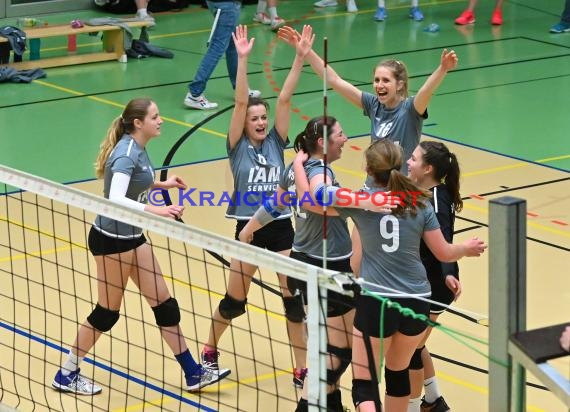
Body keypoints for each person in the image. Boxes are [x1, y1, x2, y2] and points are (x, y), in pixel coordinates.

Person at [51, 98, 230, 395]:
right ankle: (67, 373)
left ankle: (193, 373)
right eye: (155, 117)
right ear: (138, 123)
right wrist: (158, 211)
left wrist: (163, 185)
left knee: (165, 306)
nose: (160, 121)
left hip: (134, 237)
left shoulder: (138, 147)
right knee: (107, 313)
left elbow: (135, 181)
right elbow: (115, 198)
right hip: (111, 241)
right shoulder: (125, 153)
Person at [295, 139, 486, 412]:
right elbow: (444, 252)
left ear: (368, 169)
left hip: (378, 300)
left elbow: (315, 196)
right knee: (398, 375)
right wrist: (465, 250)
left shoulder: (360, 201)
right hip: (417, 300)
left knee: (365, 384)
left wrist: (301, 166)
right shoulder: (420, 202)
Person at [239, 115, 394, 410]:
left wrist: (249, 228)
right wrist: (364, 201)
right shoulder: (317, 171)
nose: (345, 138)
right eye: (340, 133)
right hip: (326, 269)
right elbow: (319, 199)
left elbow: (276, 203)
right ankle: (308, 404)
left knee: (333, 348)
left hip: (309, 263)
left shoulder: (296, 168)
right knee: (339, 350)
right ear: (323, 142)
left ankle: (330, 404)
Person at [279, 25, 458, 275]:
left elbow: (426, 91)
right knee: (356, 264)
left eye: (386, 80)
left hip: (399, 196)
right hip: (371, 193)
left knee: (402, 262)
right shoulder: (374, 105)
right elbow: (334, 80)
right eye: (376, 80)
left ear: (400, 85)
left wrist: (442, 70)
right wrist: (307, 52)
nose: (379, 85)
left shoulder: (410, 110)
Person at [199, 24, 310, 388]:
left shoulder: (278, 143)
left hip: (279, 226)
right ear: (244, 123)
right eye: (255, 118)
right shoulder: (236, 147)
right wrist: (243, 61)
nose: (261, 122)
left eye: (263, 118)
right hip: (247, 229)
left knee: (293, 300)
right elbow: (242, 101)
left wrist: (299, 57)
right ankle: (210, 349)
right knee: (234, 301)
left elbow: (285, 100)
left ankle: (302, 368)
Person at [406, 141, 463, 412]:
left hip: (433, 286)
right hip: (421, 283)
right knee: (416, 344)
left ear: (427, 168)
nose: (408, 160)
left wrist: (449, 273)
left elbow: (445, 242)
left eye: (414, 158)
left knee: (410, 350)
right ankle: (433, 400)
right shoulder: (425, 191)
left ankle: (415, 406)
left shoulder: (437, 198)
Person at [183, 0, 261, 110]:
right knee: (217, 48)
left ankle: (241, 89)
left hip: (226, 4)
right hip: (227, 4)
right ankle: (194, 94)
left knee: (233, 45)